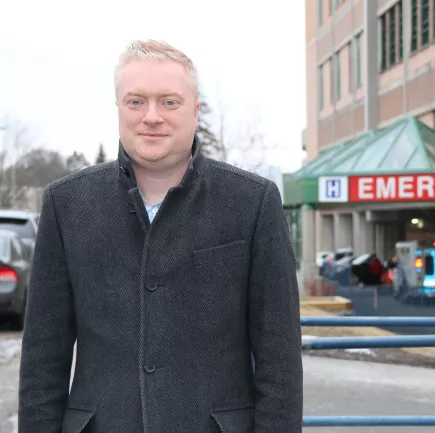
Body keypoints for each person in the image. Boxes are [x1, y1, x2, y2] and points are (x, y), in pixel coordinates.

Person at [18, 40, 303, 433]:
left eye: (169, 102)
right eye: (136, 101)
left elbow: (280, 360)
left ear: (195, 110)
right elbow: (42, 359)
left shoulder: (253, 202)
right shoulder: (65, 204)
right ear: (118, 106)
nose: (152, 116)